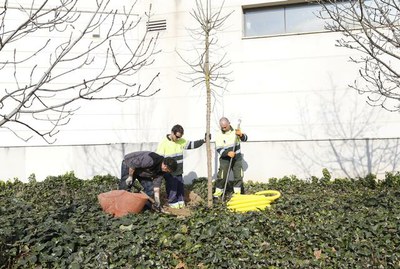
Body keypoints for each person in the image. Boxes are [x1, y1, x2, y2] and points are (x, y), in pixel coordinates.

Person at [157, 124, 208, 208]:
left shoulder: (180, 140)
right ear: (172, 133)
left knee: (179, 186)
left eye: (180, 137)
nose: (178, 139)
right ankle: (172, 203)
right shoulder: (163, 143)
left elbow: (192, 144)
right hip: (169, 172)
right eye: (177, 137)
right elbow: (159, 159)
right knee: (172, 187)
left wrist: (203, 140)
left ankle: (180, 201)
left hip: (179, 170)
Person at [213, 117, 248, 199]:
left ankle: (237, 194)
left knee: (238, 175)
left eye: (225, 126)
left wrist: (241, 135)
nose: (224, 128)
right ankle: (218, 193)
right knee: (222, 176)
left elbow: (245, 139)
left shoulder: (236, 131)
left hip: (237, 158)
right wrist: (227, 153)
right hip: (225, 159)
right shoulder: (219, 134)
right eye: (222, 127)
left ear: (229, 123)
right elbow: (218, 148)